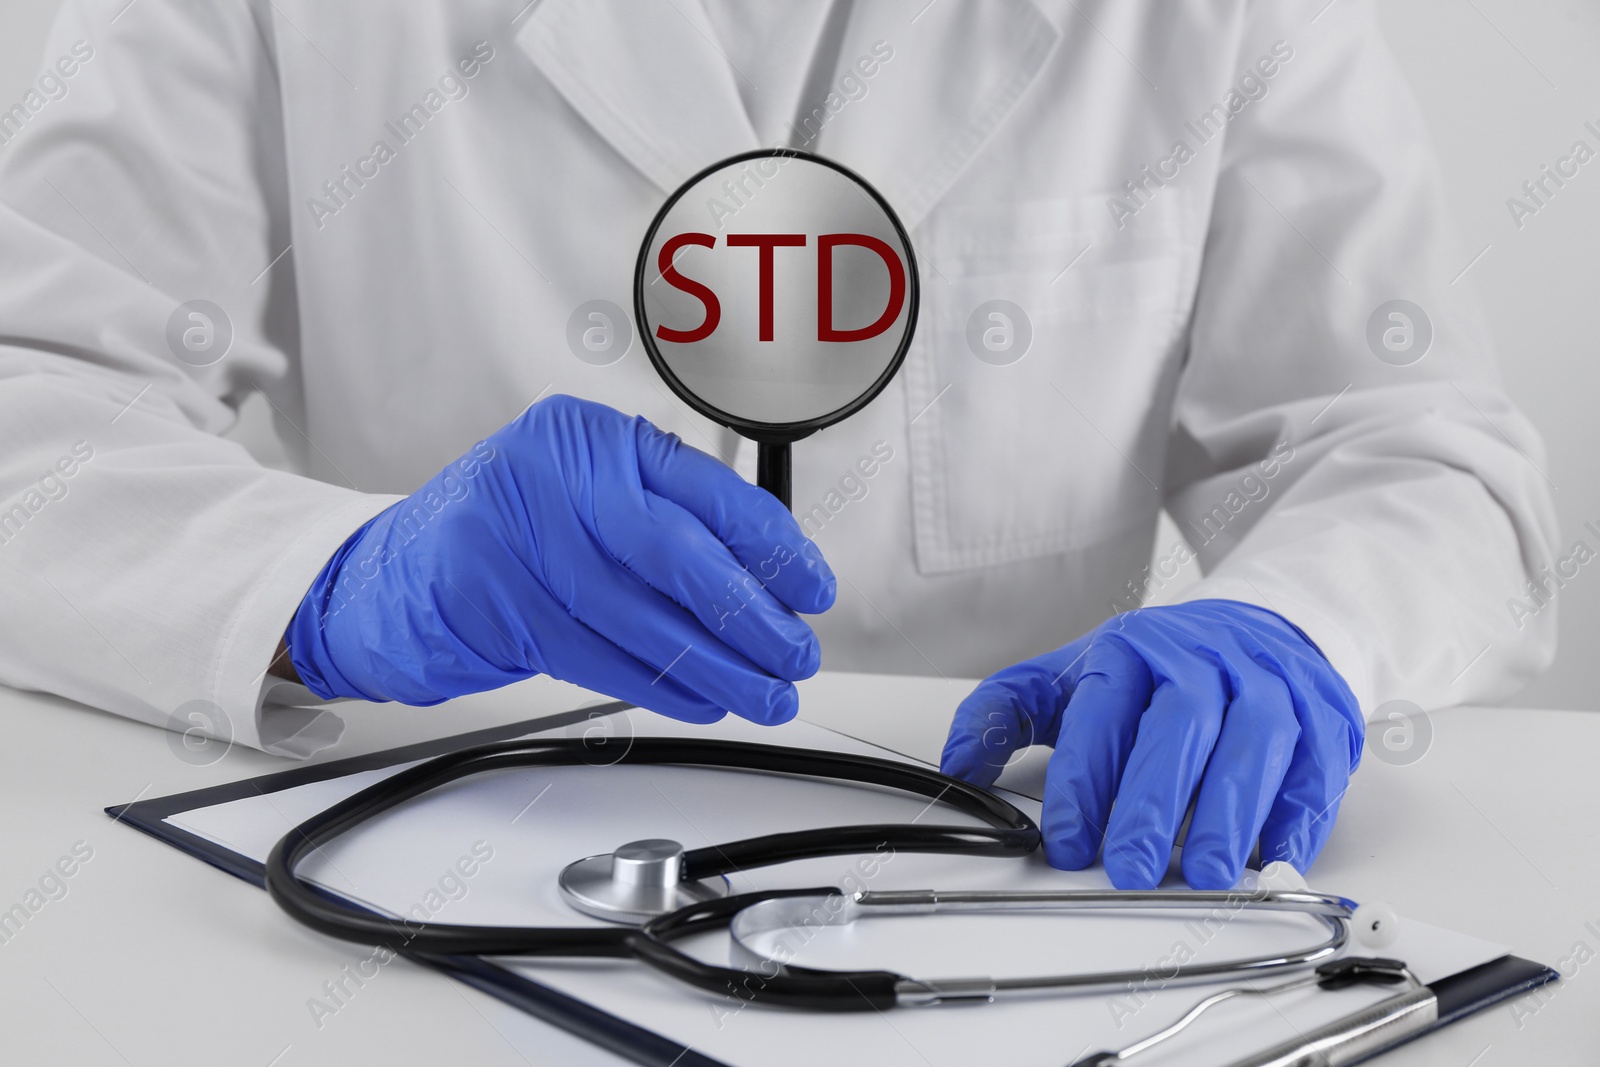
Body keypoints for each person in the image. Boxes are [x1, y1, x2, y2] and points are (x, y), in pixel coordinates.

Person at [0, 0, 1556, 891]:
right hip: (439, 888)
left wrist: (1297, 630)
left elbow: (1418, 447)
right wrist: (338, 582)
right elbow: (30, 417)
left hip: (1018, 895)